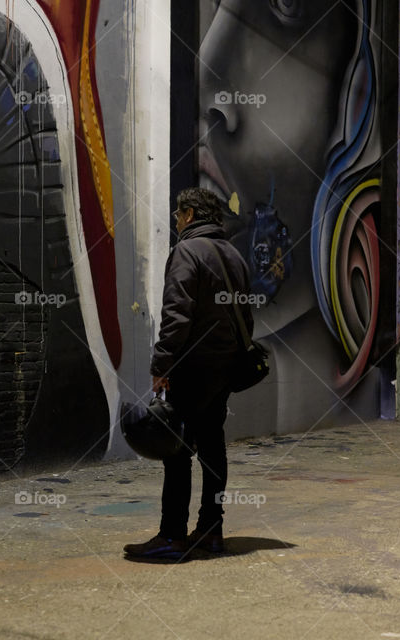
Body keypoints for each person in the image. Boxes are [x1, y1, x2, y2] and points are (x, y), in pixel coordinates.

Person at [123, 187, 253, 559]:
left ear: (191, 214)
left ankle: (172, 535)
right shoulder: (234, 255)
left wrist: (162, 365)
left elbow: (176, 316)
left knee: (176, 450)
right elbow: (247, 317)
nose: (177, 221)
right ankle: (211, 530)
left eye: (179, 215)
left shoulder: (186, 252)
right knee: (212, 446)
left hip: (192, 367)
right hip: (225, 367)